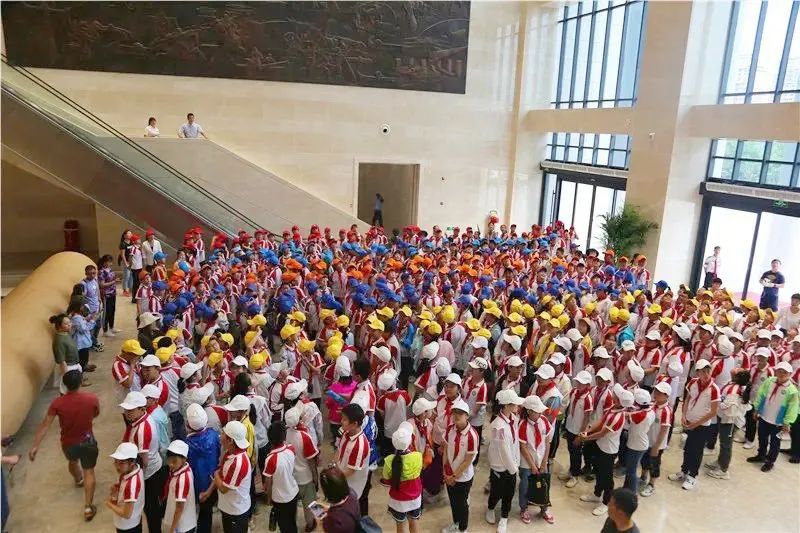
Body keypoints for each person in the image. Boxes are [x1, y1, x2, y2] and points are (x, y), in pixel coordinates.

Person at [28, 370, 99, 521]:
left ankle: (78, 480)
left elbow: (45, 425)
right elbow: (96, 413)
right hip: (88, 441)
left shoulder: (57, 403)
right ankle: (88, 507)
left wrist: (35, 446)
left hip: (68, 443)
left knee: (72, 461)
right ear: (81, 382)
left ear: (65, 385)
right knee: (89, 471)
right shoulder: (91, 398)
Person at [120, 390, 167, 533]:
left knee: (151, 509)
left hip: (149, 474)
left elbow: (144, 460)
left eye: (131, 410)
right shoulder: (140, 420)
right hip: (151, 469)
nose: (127, 413)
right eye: (126, 409)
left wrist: (137, 477)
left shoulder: (142, 429)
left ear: (141, 409)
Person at [669, 359, 719, 491]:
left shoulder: (714, 389)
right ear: (697, 372)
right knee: (687, 448)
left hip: (702, 425)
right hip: (689, 421)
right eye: (702, 371)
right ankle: (684, 470)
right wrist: (683, 416)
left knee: (697, 451)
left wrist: (696, 424)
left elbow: (713, 411)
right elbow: (687, 399)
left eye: (708, 371)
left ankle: (692, 476)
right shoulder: (692, 383)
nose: (706, 374)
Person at [201, 420, 252, 533]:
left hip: (236, 512)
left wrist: (215, 474)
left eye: (223, 434)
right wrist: (208, 492)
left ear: (230, 441)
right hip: (228, 507)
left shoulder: (238, 463)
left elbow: (223, 488)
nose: (220, 436)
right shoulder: (230, 453)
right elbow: (221, 474)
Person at [747, 361, 799, 471]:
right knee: (762, 438)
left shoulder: (792, 391)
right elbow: (761, 394)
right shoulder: (769, 381)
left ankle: (770, 461)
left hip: (778, 422)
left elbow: (792, 408)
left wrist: (787, 422)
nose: (781, 374)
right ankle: (761, 455)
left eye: (784, 372)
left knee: (775, 443)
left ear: (790, 374)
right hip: (764, 417)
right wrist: (756, 409)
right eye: (779, 371)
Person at [486, 389, 522, 533]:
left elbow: (516, 443)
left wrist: (516, 462)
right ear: (506, 405)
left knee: (509, 494)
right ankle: (490, 508)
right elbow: (503, 450)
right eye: (515, 404)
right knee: (496, 492)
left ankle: (504, 517)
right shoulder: (498, 426)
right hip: (500, 467)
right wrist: (513, 469)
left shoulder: (514, 419)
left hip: (512, 465)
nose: (517, 406)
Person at [441, 398, 477, 533]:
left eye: (460, 413)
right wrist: (445, 471)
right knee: (453, 502)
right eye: (454, 412)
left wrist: (454, 476)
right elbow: (446, 450)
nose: (456, 415)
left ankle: (463, 528)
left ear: (467, 416)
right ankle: (455, 523)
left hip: (463, 477)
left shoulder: (472, 436)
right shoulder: (450, 429)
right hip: (449, 474)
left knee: (462, 504)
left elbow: (468, 460)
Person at [518, 395, 553, 525]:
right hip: (527, 462)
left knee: (544, 485)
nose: (540, 413)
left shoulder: (544, 420)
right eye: (537, 411)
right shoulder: (523, 425)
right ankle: (524, 508)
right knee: (525, 485)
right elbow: (523, 447)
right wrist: (532, 465)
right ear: (529, 411)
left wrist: (544, 462)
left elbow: (547, 442)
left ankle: (544, 508)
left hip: (542, 459)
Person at [381, 423, 423, 533]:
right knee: (414, 522)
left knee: (400, 525)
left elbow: (386, 479)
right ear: (409, 442)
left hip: (398, 500)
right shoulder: (417, 456)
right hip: (415, 499)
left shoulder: (389, 460)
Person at [185, 403, 221, 533]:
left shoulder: (186, 444)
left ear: (188, 425)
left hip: (193, 484)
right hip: (212, 482)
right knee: (206, 512)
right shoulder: (214, 435)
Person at [284, 405, 320, 532]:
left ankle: (292, 524)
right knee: (311, 503)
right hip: (305, 477)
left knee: (292, 504)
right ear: (299, 420)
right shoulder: (304, 437)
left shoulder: (284, 434)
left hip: (291, 478)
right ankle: (311, 524)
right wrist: (315, 478)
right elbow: (311, 462)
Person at [263, 421, 299, 533]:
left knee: (284, 526)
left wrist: (268, 498)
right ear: (284, 436)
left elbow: (268, 483)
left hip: (280, 498)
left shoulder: (270, 459)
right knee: (292, 521)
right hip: (293, 492)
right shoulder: (291, 448)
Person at [335, 403, 370, 508]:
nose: (341, 421)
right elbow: (339, 450)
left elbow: (351, 471)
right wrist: (335, 465)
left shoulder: (359, 446)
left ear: (354, 424)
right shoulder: (346, 432)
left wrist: (335, 477)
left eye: (345, 419)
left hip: (350, 485)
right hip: (341, 477)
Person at [107, 442, 145, 533]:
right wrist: (119, 486)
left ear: (132, 462)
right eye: (115, 461)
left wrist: (109, 504)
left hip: (127, 526)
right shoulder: (137, 469)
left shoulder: (131, 485)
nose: (117, 466)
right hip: (135, 520)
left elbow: (127, 514)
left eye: (121, 463)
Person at [163, 440, 197, 533]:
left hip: (182, 526)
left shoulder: (182, 479)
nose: (170, 464)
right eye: (169, 460)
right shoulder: (182, 468)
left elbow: (179, 508)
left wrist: (172, 529)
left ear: (184, 459)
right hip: (183, 521)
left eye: (174, 461)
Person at [319, 466, 360, 533]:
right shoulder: (352, 493)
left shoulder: (333, 520)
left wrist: (322, 522)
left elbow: (329, 529)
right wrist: (330, 509)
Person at [50, 313, 83, 392]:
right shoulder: (59, 341)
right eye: (66, 324)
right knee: (66, 391)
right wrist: (66, 376)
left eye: (70, 322)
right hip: (68, 368)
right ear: (59, 326)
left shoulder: (65, 334)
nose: (69, 325)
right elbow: (62, 361)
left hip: (74, 365)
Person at [80, 264, 104, 352]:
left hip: (97, 309)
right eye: (90, 273)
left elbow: (97, 290)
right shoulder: (84, 284)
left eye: (94, 273)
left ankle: (94, 341)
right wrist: (86, 312)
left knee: (98, 326)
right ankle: (94, 344)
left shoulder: (95, 280)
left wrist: (99, 299)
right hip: (90, 311)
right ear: (86, 273)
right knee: (91, 329)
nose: (92, 275)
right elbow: (82, 297)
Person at [98, 254, 121, 338]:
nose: (110, 263)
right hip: (106, 295)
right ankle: (105, 330)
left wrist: (114, 282)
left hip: (112, 293)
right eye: (109, 262)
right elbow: (102, 284)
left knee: (112, 310)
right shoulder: (101, 272)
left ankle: (112, 327)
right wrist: (113, 282)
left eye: (111, 262)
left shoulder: (110, 270)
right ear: (104, 262)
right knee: (107, 312)